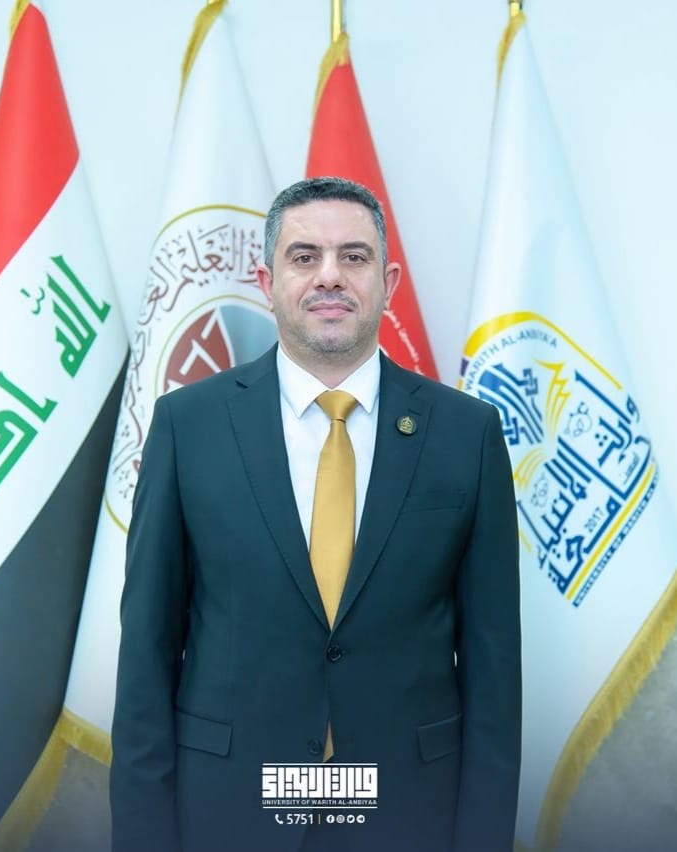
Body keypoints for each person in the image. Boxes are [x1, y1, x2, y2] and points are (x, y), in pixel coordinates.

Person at [110, 177, 521, 852]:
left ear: (387, 282)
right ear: (268, 281)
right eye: (305, 257)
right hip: (230, 812)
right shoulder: (189, 426)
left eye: (354, 257)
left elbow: (494, 669)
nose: (330, 276)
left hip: (410, 814)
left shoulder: (466, 433)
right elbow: (147, 652)